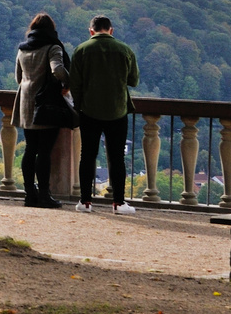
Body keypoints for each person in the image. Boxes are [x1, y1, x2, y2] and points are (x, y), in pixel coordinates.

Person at [70, 15, 140, 214]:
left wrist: (80, 104)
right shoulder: (124, 50)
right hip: (117, 111)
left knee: (88, 156)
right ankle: (118, 203)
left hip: (89, 111)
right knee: (117, 157)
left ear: (91, 31)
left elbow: (74, 83)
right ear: (111, 30)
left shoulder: (82, 50)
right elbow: (133, 80)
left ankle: (84, 202)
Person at [14, 12, 69, 209]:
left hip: (26, 102)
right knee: (44, 151)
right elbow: (57, 70)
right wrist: (69, 82)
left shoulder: (23, 49)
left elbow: (18, 78)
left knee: (30, 149)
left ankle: (30, 195)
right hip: (46, 103)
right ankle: (44, 195)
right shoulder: (53, 47)